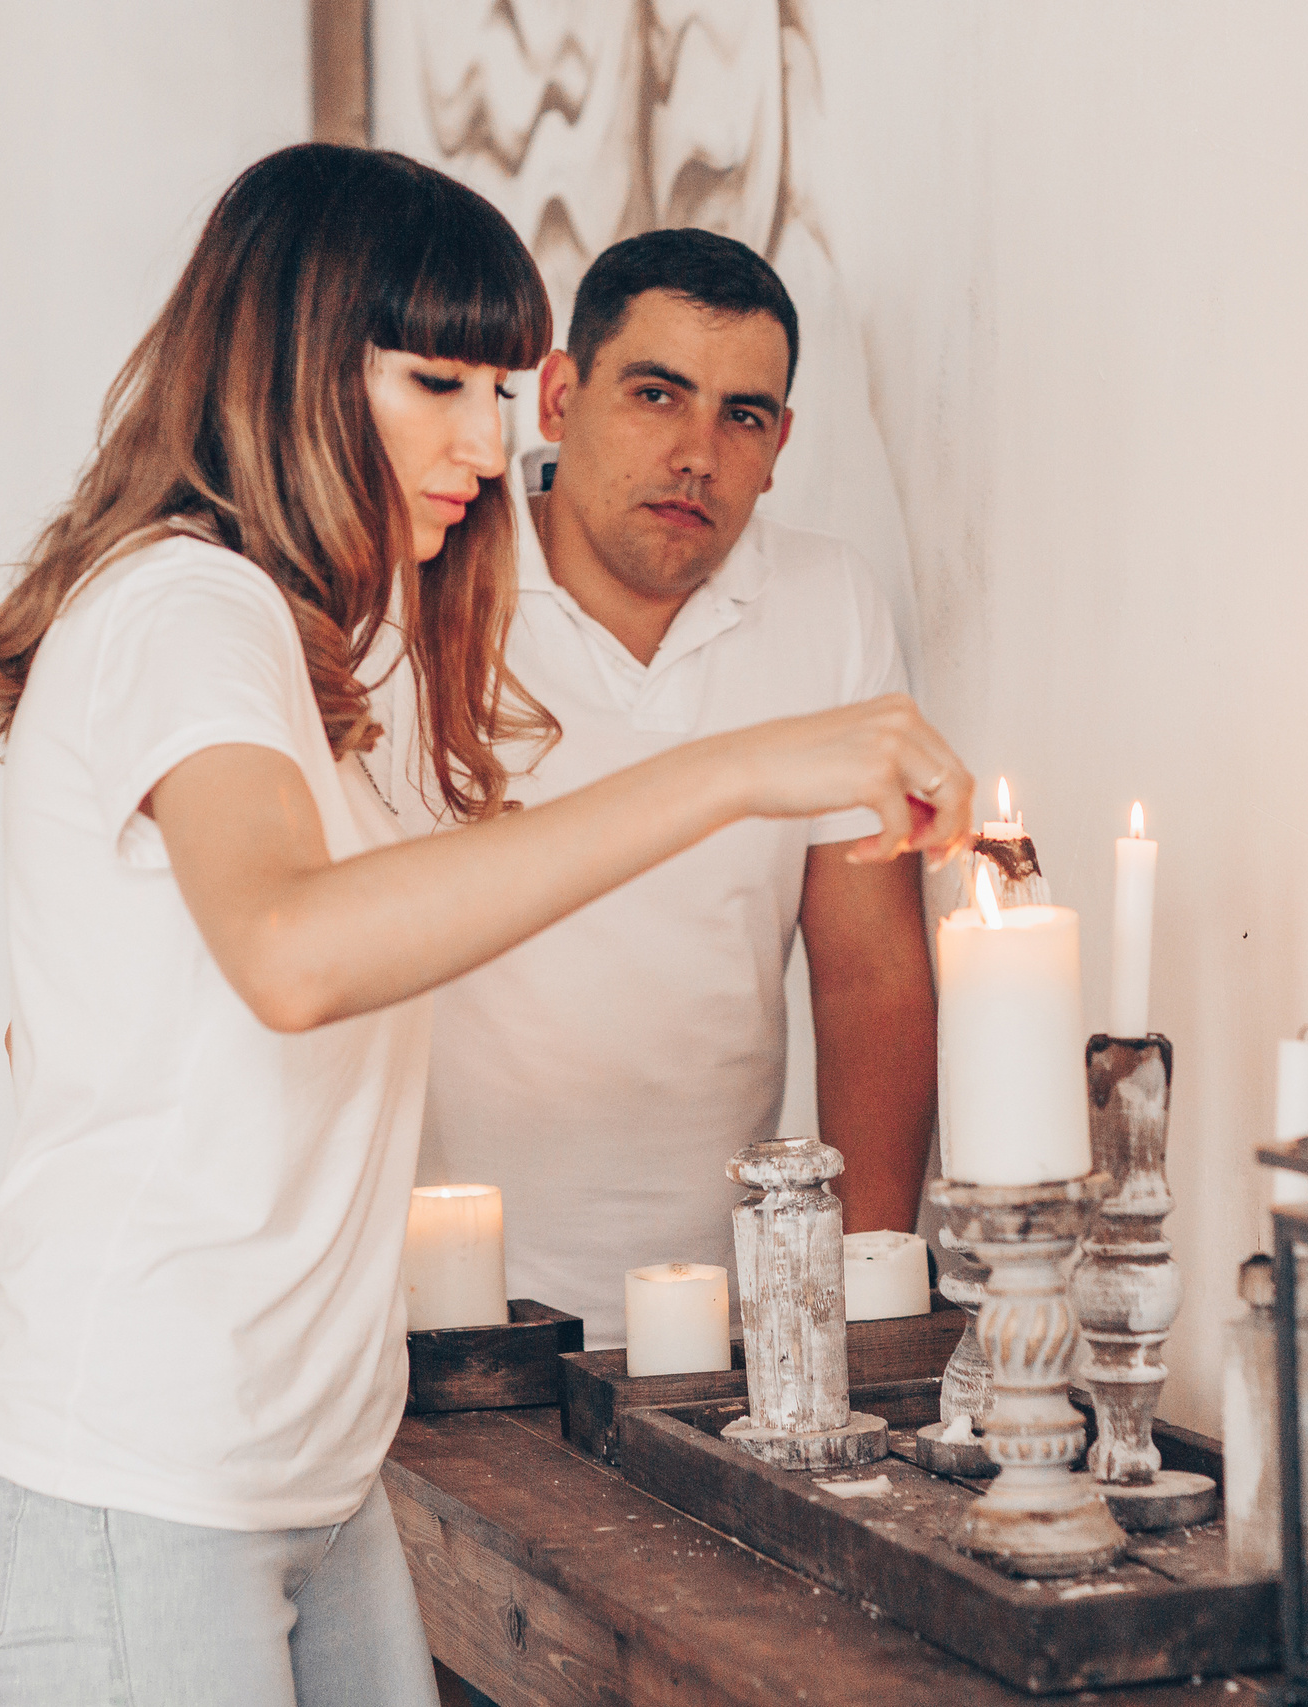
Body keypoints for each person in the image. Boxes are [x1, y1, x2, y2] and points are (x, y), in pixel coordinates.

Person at [0, 145, 973, 1707]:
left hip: (308, 1463)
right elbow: (294, 949)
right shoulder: (182, 609)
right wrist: (739, 768)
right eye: (439, 384)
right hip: (143, 1475)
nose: (489, 445)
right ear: (293, 361)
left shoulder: (298, 638)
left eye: (498, 391)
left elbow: (91, 1028)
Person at [372, 229, 937, 1345]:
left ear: (778, 447)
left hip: (724, 1304)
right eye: (655, 394)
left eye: (740, 415)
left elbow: (870, 976)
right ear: (559, 397)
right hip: (438, 1309)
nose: (695, 454)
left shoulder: (827, 603)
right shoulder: (415, 589)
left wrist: (862, 1305)